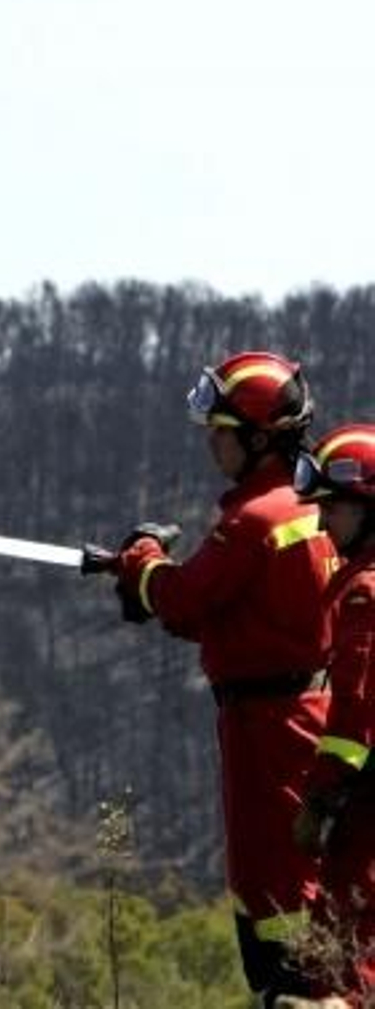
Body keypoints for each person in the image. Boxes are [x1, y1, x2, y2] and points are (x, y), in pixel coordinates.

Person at [114, 350, 337, 1006]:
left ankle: (291, 992)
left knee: (272, 882)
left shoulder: (253, 521)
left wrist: (142, 560)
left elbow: (184, 601)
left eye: (222, 429)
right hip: (306, 712)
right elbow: (234, 614)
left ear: (260, 439)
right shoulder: (314, 509)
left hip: (265, 730)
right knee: (301, 873)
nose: (212, 441)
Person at [291, 425, 375, 1004]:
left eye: (333, 509)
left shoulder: (366, 592)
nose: (322, 525)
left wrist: (319, 799)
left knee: (345, 953)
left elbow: (355, 717)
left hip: (366, 806)